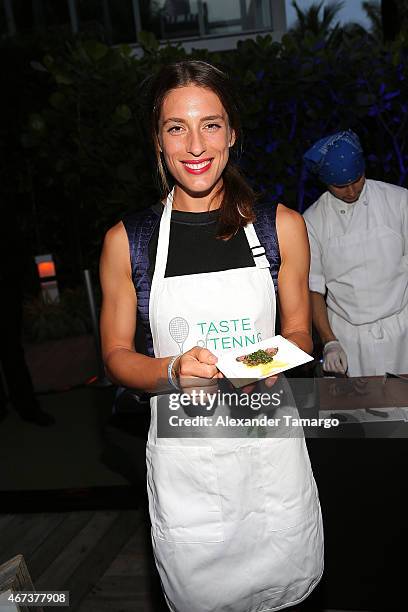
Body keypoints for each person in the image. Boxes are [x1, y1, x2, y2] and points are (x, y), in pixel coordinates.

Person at [100, 60, 323, 612]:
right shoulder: (128, 242)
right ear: (158, 140)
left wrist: (255, 365)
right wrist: (171, 370)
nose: (195, 144)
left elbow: (299, 330)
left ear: (232, 132)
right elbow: (116, 357)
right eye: (177, 126)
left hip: (271, 459)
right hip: (188, 469)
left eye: (211, 124)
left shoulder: (282, 227)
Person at [302, 130, 408, 378]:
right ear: (325, 182)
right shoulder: (313, 221)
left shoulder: (399, 201)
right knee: (358, 414)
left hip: (402, 326)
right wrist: (329, 342)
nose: (350, 191)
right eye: (340, 186)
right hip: (348, 337)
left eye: (356, 180)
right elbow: (314, 288)